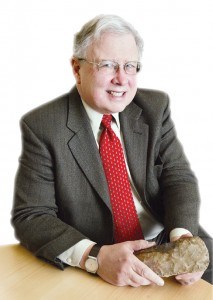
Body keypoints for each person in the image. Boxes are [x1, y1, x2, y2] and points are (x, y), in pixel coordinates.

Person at [12, 14, 212, 287]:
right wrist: (93, 257)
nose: (122, 79)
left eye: (130, 66)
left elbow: (177, 176)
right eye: (107, 65)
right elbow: (32, 215)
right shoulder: (43, 126)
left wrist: (182, 237)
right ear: (76, 68)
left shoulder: (154, 107)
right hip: (104, 256)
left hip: (169, 239)